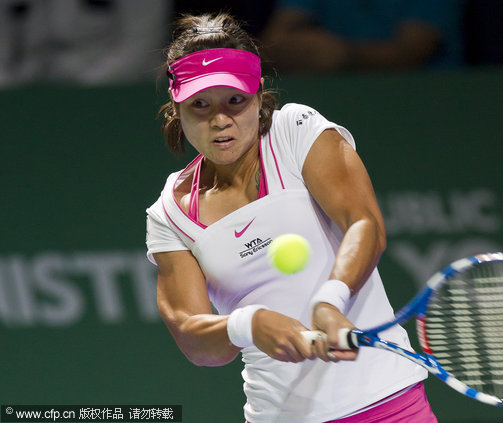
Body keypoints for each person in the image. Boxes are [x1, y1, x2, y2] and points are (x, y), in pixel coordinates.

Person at [145, 12, 437, 423]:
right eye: (200, 105)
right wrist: (248, 324)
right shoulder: (169, 214)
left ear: (259, 93)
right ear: (177, 109)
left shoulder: (295, 131)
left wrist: (331, 299)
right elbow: (196, 341)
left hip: (387, 404)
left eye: (235, 100)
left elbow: (363, 223)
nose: (220, 119)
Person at [259, 0, 465, 73]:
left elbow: (412, 51)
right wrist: (296, 50)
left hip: (426, 102)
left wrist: (345, 56)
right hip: (335, 101)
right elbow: (272, 42)